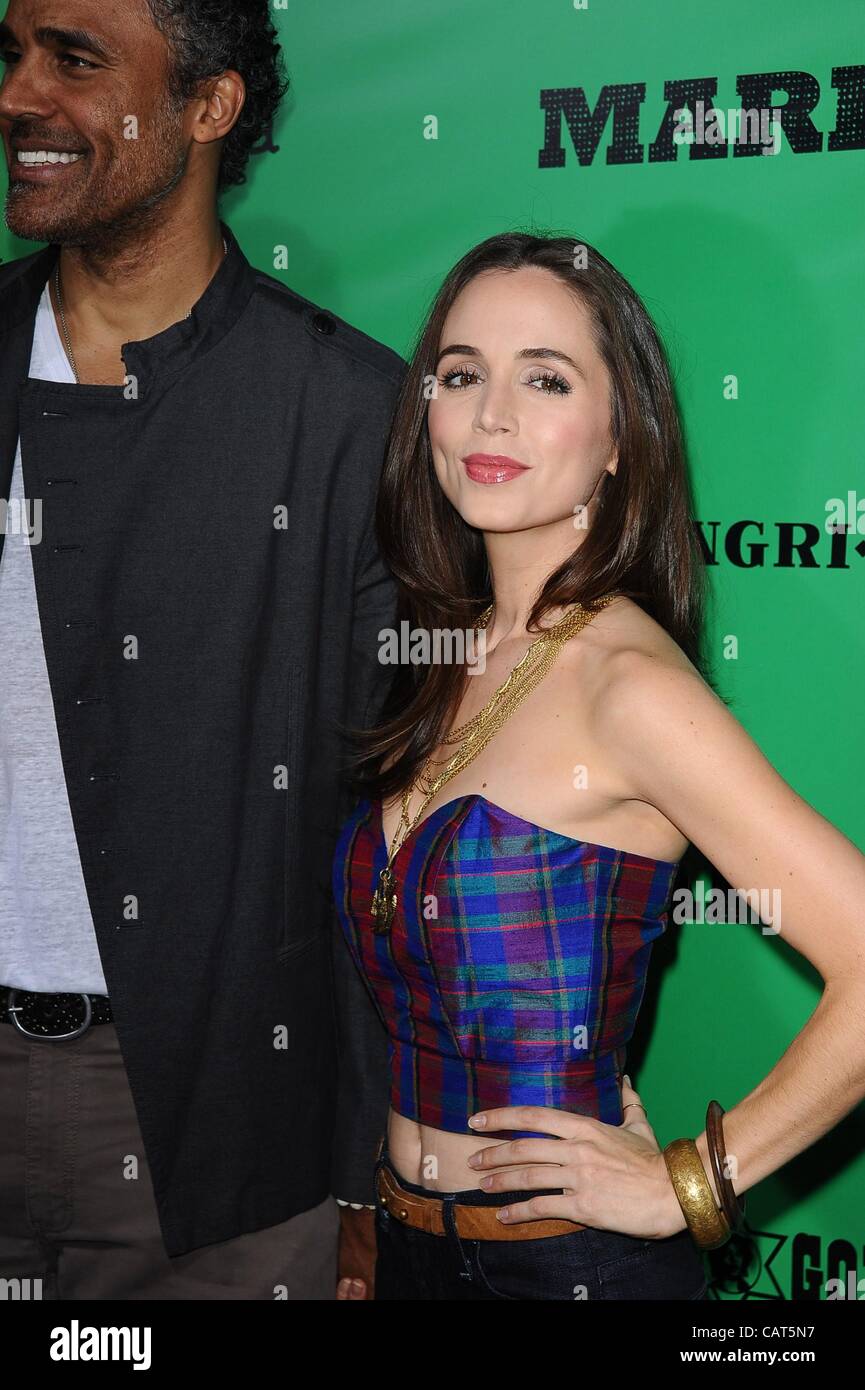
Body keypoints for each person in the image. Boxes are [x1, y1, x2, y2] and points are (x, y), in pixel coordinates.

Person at [331, 230, 865, 1300]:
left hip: (566, 1271)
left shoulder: (628, 684)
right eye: (461, 372)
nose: (492, 414)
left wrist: (692, 1186)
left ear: (620, 437)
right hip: (408, 1252)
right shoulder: (452, 650)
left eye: (545, 377)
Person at [0, 0, 401, 1298]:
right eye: (9, 54)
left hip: (218, 1137)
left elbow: (381, 828)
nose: (17, 95)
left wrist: (361, 1174)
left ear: (209, 108)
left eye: (73, 60)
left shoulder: (346, 416)